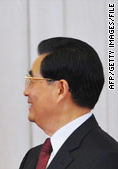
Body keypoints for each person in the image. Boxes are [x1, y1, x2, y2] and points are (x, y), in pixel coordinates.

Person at [19, 37, 118, 169]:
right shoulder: (33, 157)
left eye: (32, 81)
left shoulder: (106, 159)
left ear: (61, 89)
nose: (26, 91)